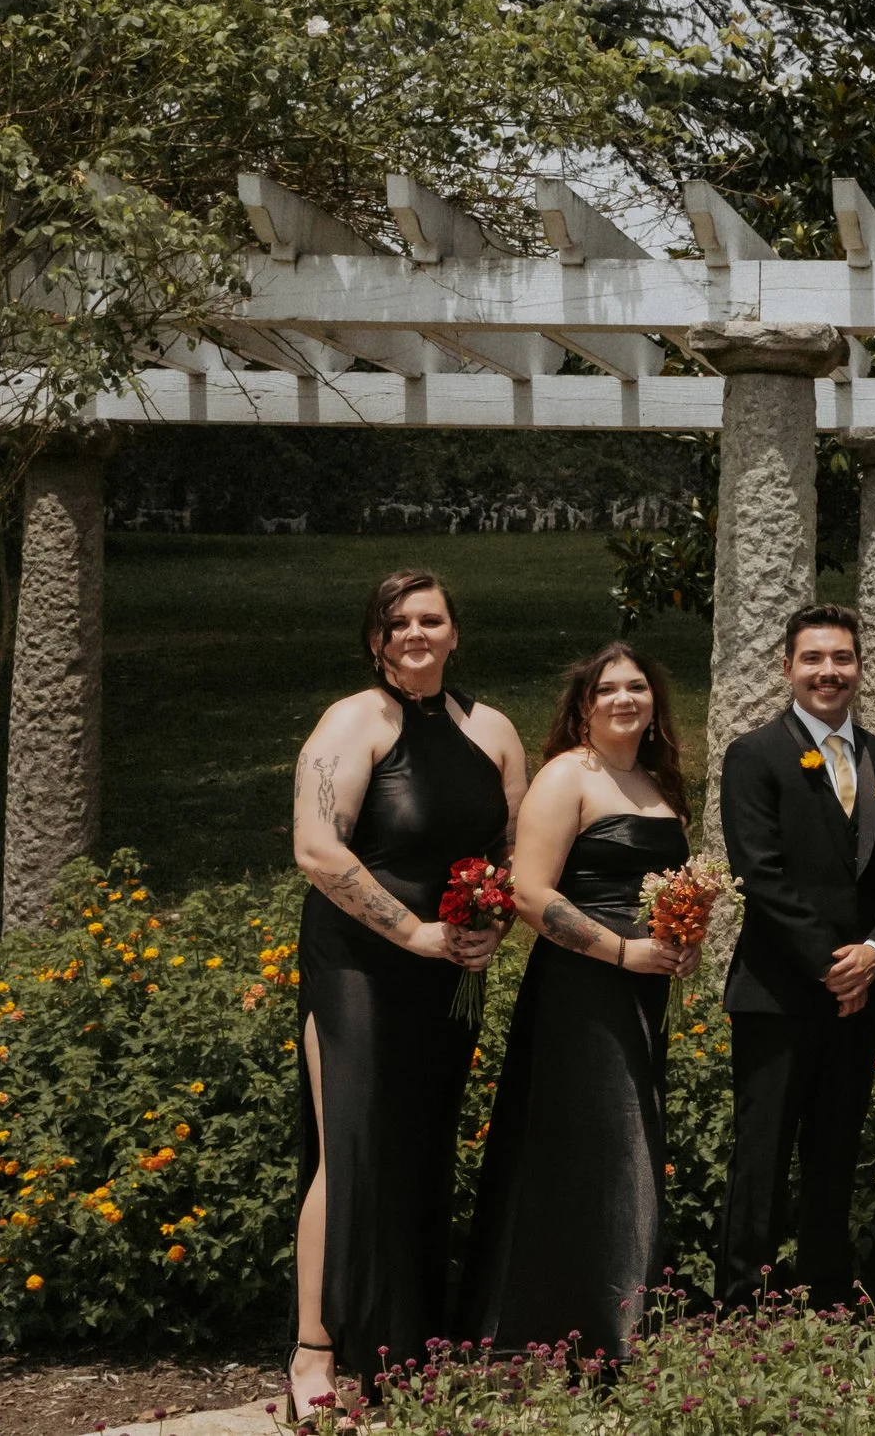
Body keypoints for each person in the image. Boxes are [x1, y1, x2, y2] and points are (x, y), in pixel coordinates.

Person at [285, 571, 526, 1420]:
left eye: (432, 619)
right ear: (376, 639)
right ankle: (316, 1344)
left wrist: (489, 922)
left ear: (455, 632)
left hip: (449, 969)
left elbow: (510, 848)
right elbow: (318, 848)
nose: (416, 634)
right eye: (399, 623)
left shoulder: (491, 728)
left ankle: (407, 1339)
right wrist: (414, 931)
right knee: (350, 1145)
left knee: (422, 1145)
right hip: (358, 963)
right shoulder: (354, 721)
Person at [460, 644, 698, 1366]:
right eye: (608, 689)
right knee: (597, 1142)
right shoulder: (569, 776)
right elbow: (531, 893)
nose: (624, 698)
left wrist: (683, 938)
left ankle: (608, 1310)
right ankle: (590, 1326)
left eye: (637, 685)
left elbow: (674, 885)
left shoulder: (659, 782)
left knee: (630, 1139)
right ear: (584, 705)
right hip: (582, 985)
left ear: (654, 699)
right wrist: (622, 951)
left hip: (644, 982)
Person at [715, 603, 875, 1311]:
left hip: (862, 992)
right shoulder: (754, 754)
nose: (828, 671)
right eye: (813, 659)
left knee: (836, 1150)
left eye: (842, 658)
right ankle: (744, 1302)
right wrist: (834, 964)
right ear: (787, 667)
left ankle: (828, 1293)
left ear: (860, 666)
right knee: (762, 1156)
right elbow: (759, 873)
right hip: (778, 992)